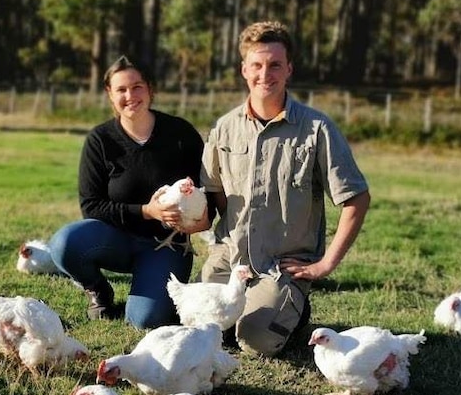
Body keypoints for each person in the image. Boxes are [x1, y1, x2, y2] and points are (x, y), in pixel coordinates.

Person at [198, 21, 371, 356]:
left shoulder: (317, 129)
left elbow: (356, 199)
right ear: (244, 69)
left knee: (253, 341)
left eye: (275, 65)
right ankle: (259, 306)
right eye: (257, 65)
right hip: (231, 259)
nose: (266, 74)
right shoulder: (224, 128)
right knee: (207, 328)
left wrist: (324, 265)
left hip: (281, 265)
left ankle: (293, 306)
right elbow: (216, 192)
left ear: (289, 68)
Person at [48, 55, 206, 329]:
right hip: (116, 239)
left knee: (144, 320)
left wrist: (201, 220)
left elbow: (206, 190)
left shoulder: (181, 134)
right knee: (64, 243)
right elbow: (91, 206)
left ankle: (150, 285)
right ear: (110, 94)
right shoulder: (100, 140)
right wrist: (147, 211)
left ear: (150, 89)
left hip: (166, 244)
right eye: (121, 89)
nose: (130, 95)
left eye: (137, 87)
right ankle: (98, 290)